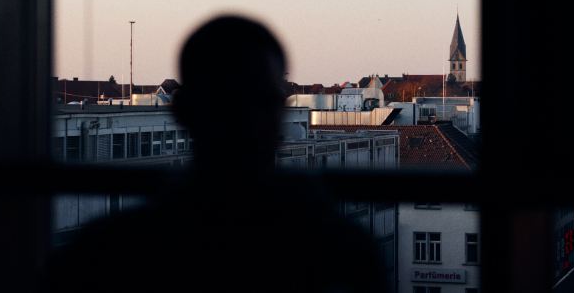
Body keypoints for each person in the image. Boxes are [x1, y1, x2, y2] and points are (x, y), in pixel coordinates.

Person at [45, 16, 387, 293]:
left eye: (262, 101)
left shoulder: (109, 256)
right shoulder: (339, 254)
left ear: (181, 112)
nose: (249, 120)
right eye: (230, 102)